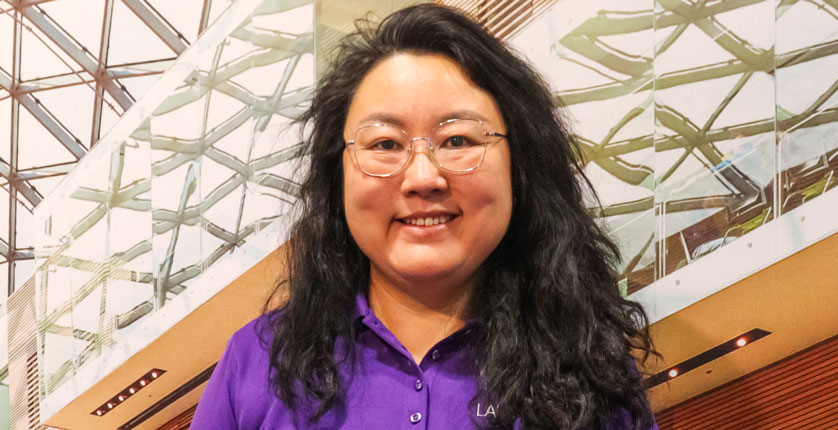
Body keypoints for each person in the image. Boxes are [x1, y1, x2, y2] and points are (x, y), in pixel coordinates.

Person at [192, 4, 657, 430]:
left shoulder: (591, 366)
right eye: (385, 144)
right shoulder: (257, 361)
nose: (422, 177)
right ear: (338, 179)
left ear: (520, 167)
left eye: (458, 140)